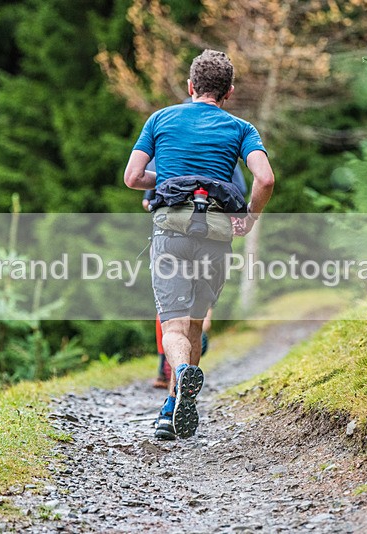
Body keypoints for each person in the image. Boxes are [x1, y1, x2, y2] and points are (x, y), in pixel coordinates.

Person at [124, 49, 275, 440]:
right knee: (194, 323)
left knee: (173, 327)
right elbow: (265, 179)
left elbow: (133, 177)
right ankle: (172, 408)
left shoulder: (160, 119)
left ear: (191, 85)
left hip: (171, 234)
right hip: (216, 238)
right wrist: (249, 218)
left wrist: (166, 180)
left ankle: (180, 375)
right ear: (229, 92)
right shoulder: (242, 129)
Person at [143, 155, 246, 389]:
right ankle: (183, 379)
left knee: (169, 312)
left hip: (170, 233)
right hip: (214, 235)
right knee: (199, 314)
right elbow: (240, 190)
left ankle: (168, 368)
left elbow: (147, 199)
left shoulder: (162, 153)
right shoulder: (223, 150)